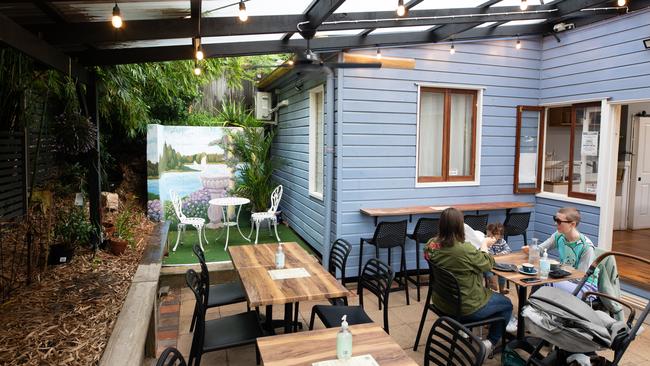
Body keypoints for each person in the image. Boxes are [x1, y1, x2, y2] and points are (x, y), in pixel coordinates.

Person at [424, 208, 513, 355]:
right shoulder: (463, 249)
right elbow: (488, 263)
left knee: (493, 300)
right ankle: (490, 343)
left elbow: (431, 256)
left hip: (441, 301)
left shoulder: (431, 244)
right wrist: (485, 244)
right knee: (506, 304)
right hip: (466, 307)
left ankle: (472, 328)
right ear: (460, 226)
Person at [523, 207, 598, 296]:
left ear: (572, 224)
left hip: (585, 287)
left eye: (559, 221)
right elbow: (540, 250)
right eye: (555, 219)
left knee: (546, 282)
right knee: (538, 280)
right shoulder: (559, 236)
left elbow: (580, 277)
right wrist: (531, 250)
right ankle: (531, 307)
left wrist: (555, 276)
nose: (555, 223)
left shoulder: (586, 247)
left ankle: (534, 307)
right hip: (564, 278)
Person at [484, 223, 511, 294]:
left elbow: (508, 250)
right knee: (488, 270)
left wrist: (501, 253)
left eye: (496, 234)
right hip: (490, 263)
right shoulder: (488, 240)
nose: (491, 236)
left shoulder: (502, 241)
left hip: (499, 263)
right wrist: (494, 255)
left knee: (502, 274)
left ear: (501, 236)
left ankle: (501, 289)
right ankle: (492, 283)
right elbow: (488, 252)